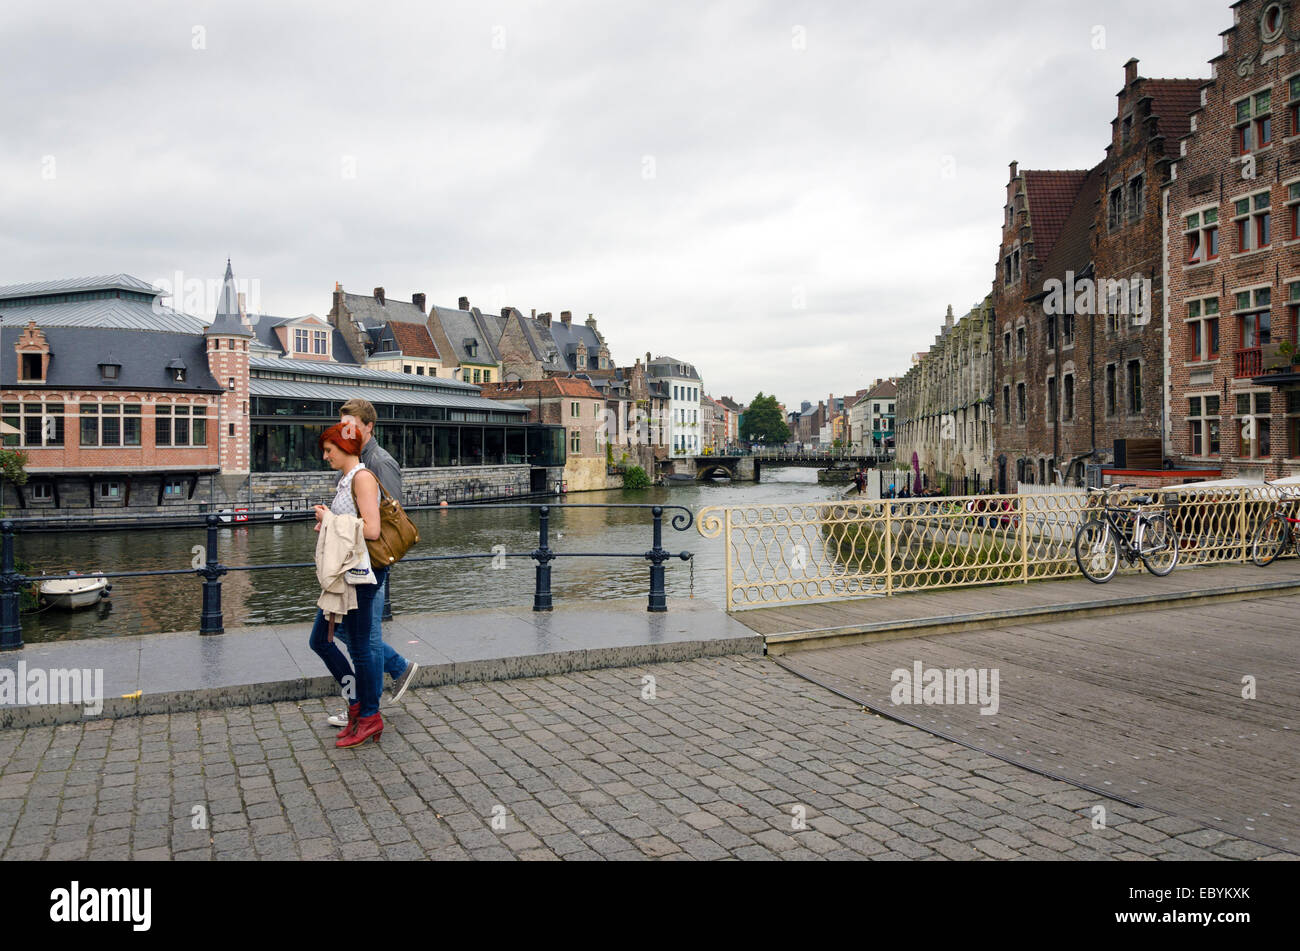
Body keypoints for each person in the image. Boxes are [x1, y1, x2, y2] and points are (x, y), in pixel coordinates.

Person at [323, 398, 418, 730]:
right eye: (342, 425)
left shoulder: (378, 462)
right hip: (357, 559)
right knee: (355, 634)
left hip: (371, 561)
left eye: (351, 425)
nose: (346, 430)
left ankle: (368, 708)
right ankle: (380, 687)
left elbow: (390, 517)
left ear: (368, 427)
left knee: (366, 637)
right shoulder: (358, 460)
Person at [309, 423, 386, 748]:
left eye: (330, 450)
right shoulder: (347, 481)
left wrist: (330, 521)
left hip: (360, 576)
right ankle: (357, 707)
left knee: (359, 648)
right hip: (346, 573)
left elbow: (371, 529)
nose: (325, 456)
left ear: (346, 448)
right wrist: (329, 525)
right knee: (321, 641)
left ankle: (369, 716)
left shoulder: (363, 478)